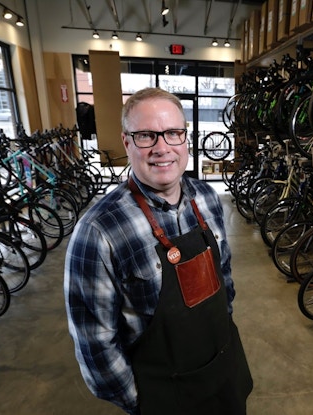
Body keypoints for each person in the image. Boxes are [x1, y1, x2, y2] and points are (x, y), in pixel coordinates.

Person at [64, 87, 253, 415]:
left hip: (224, 376)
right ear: (126, 142)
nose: (162, 148)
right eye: (146, 136)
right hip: (165, 398)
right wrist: (144, 401)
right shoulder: (100, 231)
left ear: (186, 138)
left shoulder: (207, 198)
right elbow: (95, 345)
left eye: (173, 133)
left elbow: (225, 284)